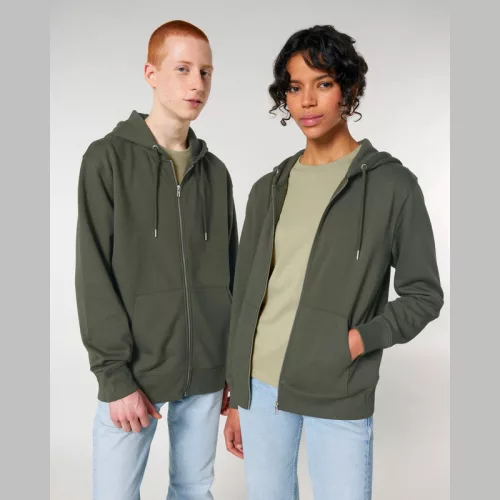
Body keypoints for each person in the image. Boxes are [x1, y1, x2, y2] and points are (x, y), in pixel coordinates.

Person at [224, 24, 444, 500]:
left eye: (322, 84)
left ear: (349, 88)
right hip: (261, 385)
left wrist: (358, 341)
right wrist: (236, 394)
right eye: (294, 87)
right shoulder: (269, 188)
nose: (306, 101)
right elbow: (244, 296)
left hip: (339, 382)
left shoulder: (392, 186)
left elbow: (424, 295)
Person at [75, 20, 237, 500]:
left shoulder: (216, 173)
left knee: (193, 490)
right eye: (182, 69)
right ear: (151, 73)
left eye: (206, 72)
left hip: (206, 373)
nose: (197, 84)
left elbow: (233, 275)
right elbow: (93, 274)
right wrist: (114, 376)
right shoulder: (107, 160)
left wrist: (232, 372)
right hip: (134, 376)